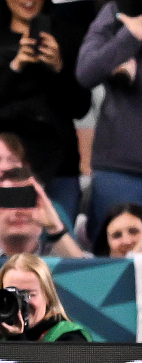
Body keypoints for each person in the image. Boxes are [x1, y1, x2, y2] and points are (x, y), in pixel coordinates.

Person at [0, 0, 91, 218]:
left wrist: (58, 68)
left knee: (59, 232)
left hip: (60, 163)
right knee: (11, 232)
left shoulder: (69, 37)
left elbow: (80, 107)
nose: (28, 0)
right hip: (5, 165)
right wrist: (15, 67)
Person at [77, 3, 142, 240]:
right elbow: (86, 71)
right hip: (120, 170)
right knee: (112, 259)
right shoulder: (119, 10)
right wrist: (131, 34)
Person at [0, 167, 84, 258]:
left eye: (26, 201)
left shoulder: (58, 257)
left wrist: (55, 227)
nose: (18, 211)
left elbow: (89, 278)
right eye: (9, 200)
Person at [0, 253, 93, 341]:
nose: (19, 303)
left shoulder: (70, 337)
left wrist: (15, 338)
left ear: (47, 296)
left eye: (29, 295)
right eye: (11, 294)